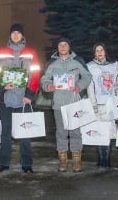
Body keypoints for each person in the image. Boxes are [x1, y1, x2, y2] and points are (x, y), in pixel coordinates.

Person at [0, 23, 41, 173]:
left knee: (25, 133)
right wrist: (2, 85)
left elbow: (35, 75)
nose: (16, 35)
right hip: (6, 99)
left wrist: (30, 95)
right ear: (10, 35)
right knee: (5, 133)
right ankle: (3, 162)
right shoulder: (0, 52)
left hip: (23, 100)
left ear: (23, 35)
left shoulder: (31, 53)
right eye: (13, 33)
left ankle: (27, 164)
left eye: (18, 33)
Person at [40, 37, 92, 172]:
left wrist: (79, 86)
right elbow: (44, 79)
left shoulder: (77, 61)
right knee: (61, 133)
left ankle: (76, 160)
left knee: (75, 132)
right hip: (58, 104)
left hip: (74, 103)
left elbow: (87, 76)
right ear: (57, 48)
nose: (63, 47)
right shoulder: (52, 63)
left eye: (65, 44)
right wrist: (48, 85)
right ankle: (63, 160)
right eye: (60, 45)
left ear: (69, 47)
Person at [86, 43, 118, 169]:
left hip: (110, 104)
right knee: (99, 132)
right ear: (94, 53)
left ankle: (108, 158)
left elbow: (116, 84)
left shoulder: (113, 65)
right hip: (98, 104)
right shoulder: (90, 66)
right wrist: (93, 104)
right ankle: (101, 158)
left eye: (101, 50)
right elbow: (90, 87)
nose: (99, 52)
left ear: (106, 51)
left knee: (110, 132)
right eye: (97, 51)